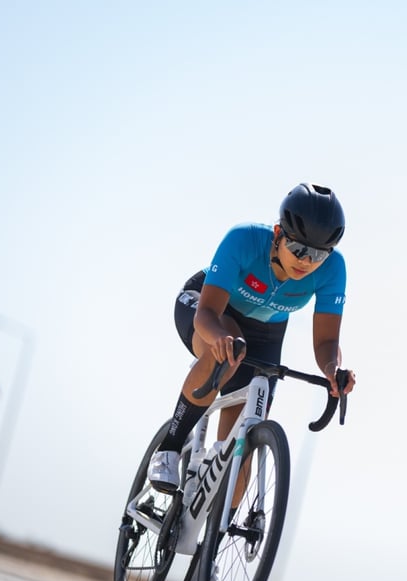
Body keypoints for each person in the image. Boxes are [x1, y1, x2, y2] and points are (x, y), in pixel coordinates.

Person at [147, 182, 357, 492]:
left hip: (266, 331)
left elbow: (327, 342)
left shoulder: (334, 270)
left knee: (241, 448)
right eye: (299, 249)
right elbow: (206, 314)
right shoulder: (244, 239)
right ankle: (169, 448)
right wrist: (219, 338)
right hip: (212, 309)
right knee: (227, 348)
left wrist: (332, 370)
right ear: (277, 234)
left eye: (318, 255)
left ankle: (213, 532)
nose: (306, 261)